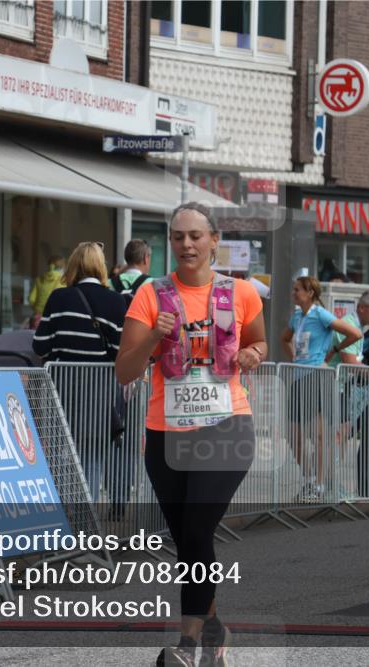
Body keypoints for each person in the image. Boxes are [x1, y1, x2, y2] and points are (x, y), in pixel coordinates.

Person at [115, 202, 266, 667]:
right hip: (167, 434)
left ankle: (186, 647)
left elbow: (257, 341)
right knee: (189, 542)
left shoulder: (241, 293)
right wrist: (152, 338)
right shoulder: (150, 295)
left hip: (226, 426)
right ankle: (215, 633)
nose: (187, 245)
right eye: (178, 237)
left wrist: (253, 355)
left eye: (196, 236)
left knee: (198, 528)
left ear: (214, 240)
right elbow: (125, 372)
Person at [33, 242, 129, 510]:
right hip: (99, 390)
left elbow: (40, 345)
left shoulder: (59, 298)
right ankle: (86, 529)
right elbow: (119, 352)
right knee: (92, 457)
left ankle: (61, 522)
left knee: (59, 455)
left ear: (74, 264)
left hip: (61, 387)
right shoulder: (115, 301)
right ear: (100, 267)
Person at [281, 276, 361, 501]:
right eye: (294, 289)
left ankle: (319, 484)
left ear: (310, 293)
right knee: (292, 435)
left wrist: (334, 349)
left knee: (319, 435)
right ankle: (308, 478)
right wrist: (294, 358)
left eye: (297, 290)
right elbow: (284, 339)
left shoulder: (320, 314)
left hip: (318, 377)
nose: (294, 293)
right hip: (299, 378)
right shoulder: (297, 316)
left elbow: (355, 334)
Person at [329, 290, 369, 497]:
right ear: (362, 308)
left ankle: (336, 483)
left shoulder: (356, 325)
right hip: (334, 387)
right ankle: (328, 483)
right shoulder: (350, 326)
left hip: (342, 386)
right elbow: (351, 364)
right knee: (338, 436)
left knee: (342, 435)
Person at [28, 255, 64, 319]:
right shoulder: (64, 280)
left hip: (39, 316)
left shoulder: (39, 280)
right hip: (56, 316)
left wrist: (37, 309)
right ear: (62, 267)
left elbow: (31, 299)